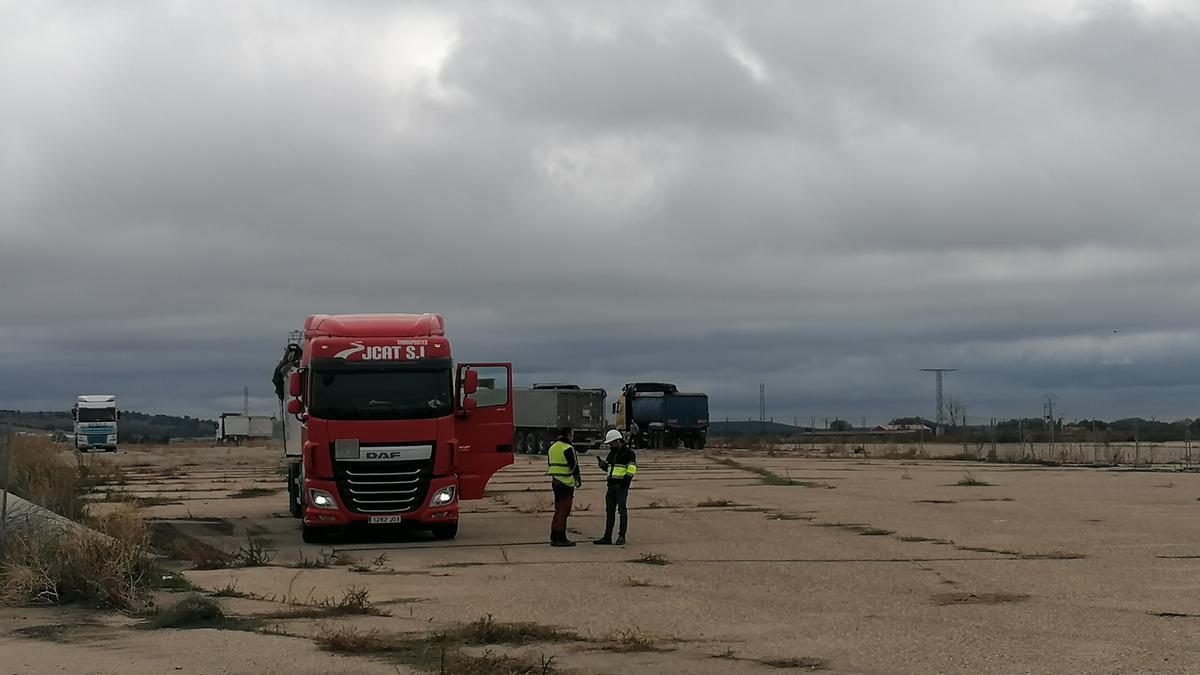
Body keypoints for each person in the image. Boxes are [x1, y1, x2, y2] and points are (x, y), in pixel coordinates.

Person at [594, 428, 637, 546]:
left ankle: (621, 536)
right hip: (611, 487)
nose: (610, 446)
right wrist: (602, 465)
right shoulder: (612, 453)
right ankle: (607, 537)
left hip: (621, 488)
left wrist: (624, 483)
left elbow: (631, 469)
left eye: (611, 443)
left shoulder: (629, 453)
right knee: (610, 512)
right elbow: (609, 468)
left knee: (622, 512)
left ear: (618, 441)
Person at [545, 426, 582, 547]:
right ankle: (561, 538)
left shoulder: (552, 447)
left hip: (555, 481)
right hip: (566, 482)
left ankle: (554, 536)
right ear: (567, 435)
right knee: (564, 511)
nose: (573, 436)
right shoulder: (568, 448)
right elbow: (574, 466)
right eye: (572, 434)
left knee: (558, 510)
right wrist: (578, 479)